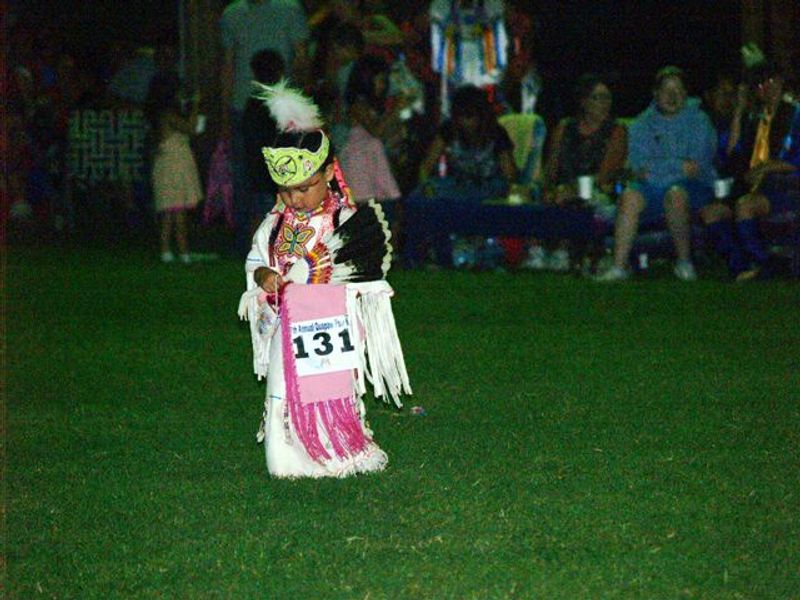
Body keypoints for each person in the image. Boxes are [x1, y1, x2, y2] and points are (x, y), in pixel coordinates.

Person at [237, 81, 411, 478]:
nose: (295, 198)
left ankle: (335, 450)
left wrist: (330, 290)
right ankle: (288, 456)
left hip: (329, 327)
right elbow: (257, 259)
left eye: (304, 187)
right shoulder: (274, 223)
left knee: (332, 391)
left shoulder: (342, 222)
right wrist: (263, 275)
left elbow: (366, 280)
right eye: (285, 190)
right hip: (285, 326)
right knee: (282, 393)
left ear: (330, 173)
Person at [596, 66, 717, 281]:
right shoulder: (641, 125)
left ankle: (684, 262)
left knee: (675, 194)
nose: (672, 96)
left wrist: (659, 169)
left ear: (685, 94)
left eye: (678, 91)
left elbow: (695, 168)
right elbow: (637, 167)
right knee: (629, 197)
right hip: (652, 188)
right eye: (667, 90)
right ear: (656, 93)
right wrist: (677, 166)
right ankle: (619, 266)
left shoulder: (700, 122)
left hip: (694, 188)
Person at [220, 0, 310, 257]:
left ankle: (280, 242)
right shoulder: (232, 14)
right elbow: (227, 65)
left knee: (281, 176)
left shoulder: (290, 9)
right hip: (245, 105)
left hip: (280, 107)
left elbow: (301, 58)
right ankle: (248, 243)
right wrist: (226, 114)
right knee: (246, 176)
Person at [702, 60, 800, 281]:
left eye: (772, 81)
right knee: (711, 213)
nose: (768, 87)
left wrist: (767, 167)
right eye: (762, 84)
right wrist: (738, 111)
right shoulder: (755, 120)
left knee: (745, 206)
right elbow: (732, 153)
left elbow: (796, 160)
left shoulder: (794, 116)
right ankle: (741, 265)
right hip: (751, 187)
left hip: (784, 188)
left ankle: (763, 264)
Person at [404, 84, 517, 268]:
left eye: (470, 117)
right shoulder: (449, 129)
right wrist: (428, 187)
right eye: (461, 117)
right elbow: (426, 166)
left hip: (489, 186)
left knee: (465, 198)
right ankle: (415, 256)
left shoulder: (496, 133)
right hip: (458, 184)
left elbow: (510, 174)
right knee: (418, 197)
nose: (465, 123)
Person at [525, 73, 627, 271]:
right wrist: (546, 186)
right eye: (598, 98)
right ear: (584, 101)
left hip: (596, 189)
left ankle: (565, 252)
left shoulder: (616, 131)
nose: (604, 103)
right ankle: (536, 251)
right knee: (539, 196)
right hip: (564, 186)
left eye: (607, 98)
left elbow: (605, 175)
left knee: (574, 199)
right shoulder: (565, 127)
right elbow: (551, 167)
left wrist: (573, 189)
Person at [145, 72, 203, 263]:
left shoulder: (162, 116)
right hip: (173, 167)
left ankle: (166, 251)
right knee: (178, 212)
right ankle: (183, 252)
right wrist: (195, 105)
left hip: (172, 165)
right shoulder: (168, 115)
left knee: (170, 212)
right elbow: (191, 128)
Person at [338, 55, 402, 218]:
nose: (383, 85)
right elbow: (375, 131)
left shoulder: (376, 106)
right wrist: (395, 110)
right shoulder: (357, 104)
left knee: (388, 212)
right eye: (380, 81)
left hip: (374, 162)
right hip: (358, 164)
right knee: (365, 214)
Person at [242, 49, 285, 238]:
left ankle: (257, 252)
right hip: (274, 166)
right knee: (272, 212)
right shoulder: (277, 101)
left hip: (256, 165)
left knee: (260, 212)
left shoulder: (254, 102)